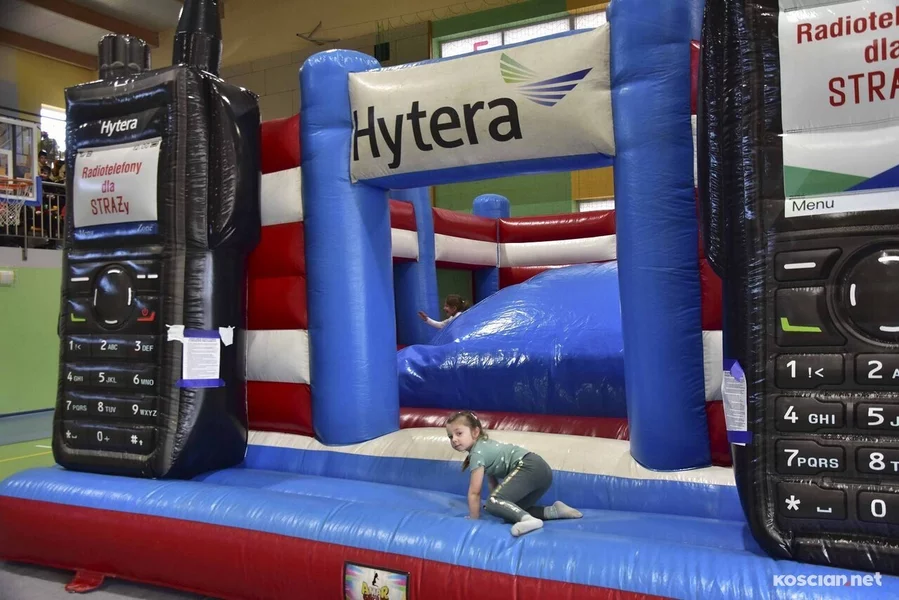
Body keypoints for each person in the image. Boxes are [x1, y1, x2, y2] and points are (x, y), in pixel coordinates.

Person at [445, 411, 583, 537]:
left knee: (492, 502)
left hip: (529, 466)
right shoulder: (485, 445)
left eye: (459, 433)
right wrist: (497, 506)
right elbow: (493, 482)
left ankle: (528, 520)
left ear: (475, 432)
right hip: (542, 471)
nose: (454, 439)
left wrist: (473, 519)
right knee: (509, 510)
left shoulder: (477, 454)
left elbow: (474, 492)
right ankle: (555, 511)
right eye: (450, 436)